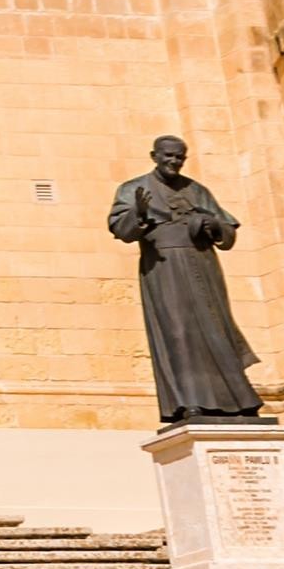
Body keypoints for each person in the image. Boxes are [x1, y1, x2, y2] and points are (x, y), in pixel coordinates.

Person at [106, 135, 265, 423]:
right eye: (168, 156)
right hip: (164, 268)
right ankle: (189, 400)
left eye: (180, 157)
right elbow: (122, 231)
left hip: (202, 264)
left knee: (217, 329)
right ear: (154, 155)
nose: (174, 162)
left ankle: (240, 399)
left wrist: (212, 223)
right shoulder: (132, 189)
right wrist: (139, 214)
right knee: (178, 333)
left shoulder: (197, 190)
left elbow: (226, 231)